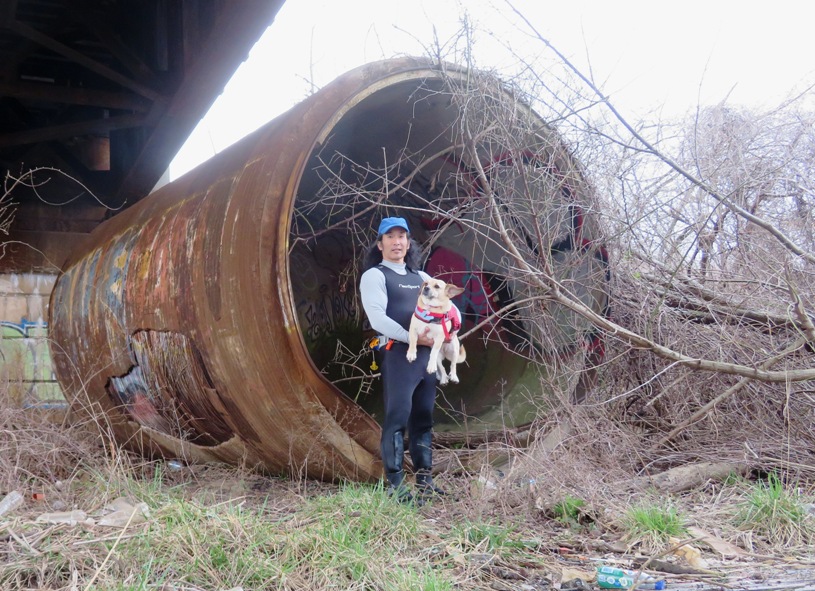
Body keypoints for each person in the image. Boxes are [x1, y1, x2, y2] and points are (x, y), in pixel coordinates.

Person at [360, 216, 449, 504]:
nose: (397, 242)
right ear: (380, 244)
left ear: (408, 242)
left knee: (423, 419)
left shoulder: (422, 278)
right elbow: (377, 318)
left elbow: (445, 309)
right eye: (390, 237)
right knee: (397, 419)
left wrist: (447, 332)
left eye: (402, 236)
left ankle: (425, 481)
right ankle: (395, 485)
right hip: (398, 355)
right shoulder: (375, 276)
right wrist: (411, 338)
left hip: (426, 357)